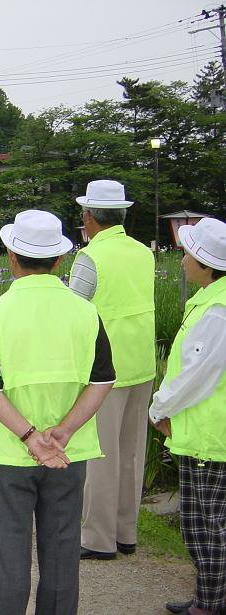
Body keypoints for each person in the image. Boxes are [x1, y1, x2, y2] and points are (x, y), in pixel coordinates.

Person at [0, 210, 115, 615]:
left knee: (11, 549)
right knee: (62, 549)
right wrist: (63, 431)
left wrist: (30, 436)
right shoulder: (86, 311)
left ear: (11, 255)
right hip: (70, 451)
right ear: (60, 259)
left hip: (8, 453)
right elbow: (102, 381)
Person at [69, 180, 156, 560]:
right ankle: (126, 531)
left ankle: (97, 539)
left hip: (104, 370)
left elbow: (74, 310)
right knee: (132, 452)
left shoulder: (90, 257)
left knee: (101, 453)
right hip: (142, 363)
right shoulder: (143, 252)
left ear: (89, 216)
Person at [148, 217, 226, 615]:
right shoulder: (214, 304)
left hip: (208, 437)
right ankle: (207, 598)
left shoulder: (216, 312)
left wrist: (159, 409)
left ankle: (209, 604)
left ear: (206, 264)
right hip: (211, 434)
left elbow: (195, 377)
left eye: (187, 254)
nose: (182, 262)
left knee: (204, 525)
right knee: (212, 522)